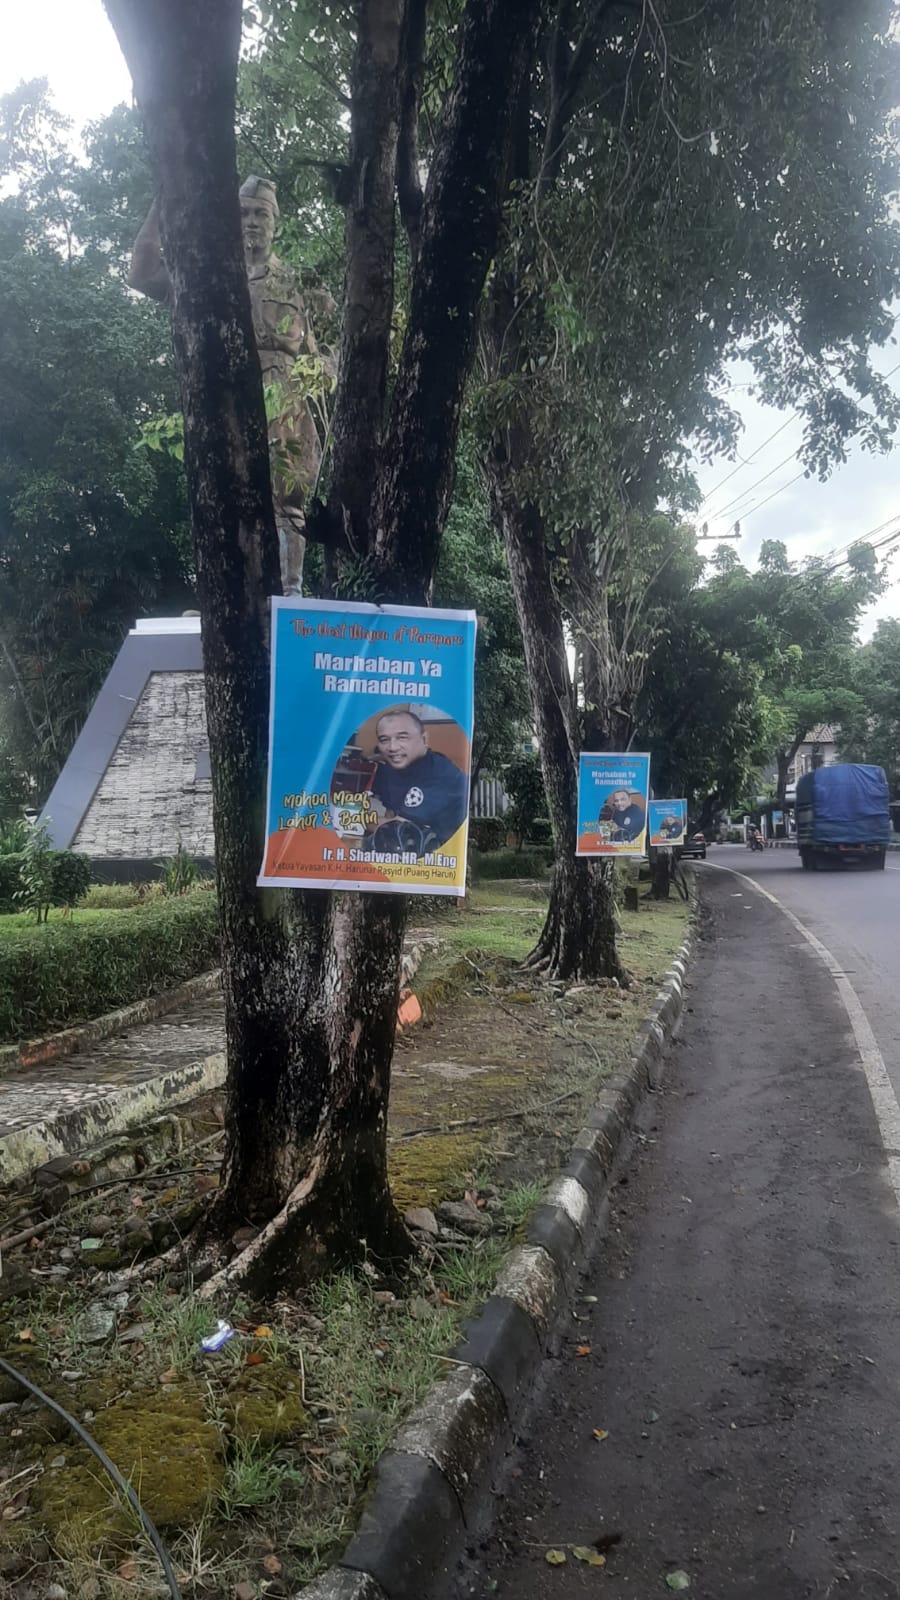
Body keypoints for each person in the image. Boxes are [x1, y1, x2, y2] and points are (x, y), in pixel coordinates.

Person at [129, 176, 333, 595]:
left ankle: (287, 592)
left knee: (286, 500)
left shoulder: (300, 285)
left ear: (275, 222)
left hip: (286, 400)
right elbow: (143, 271)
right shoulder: (208, 281)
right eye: (244, 213)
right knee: (222, 496)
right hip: (227, 396)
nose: (253, 222)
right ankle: (227, 600)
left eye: (262, 213)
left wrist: (326, 371)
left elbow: (335, 343)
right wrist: (163, 201)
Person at [365, 710, 468, 854]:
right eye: (384, 740)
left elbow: (398, 830)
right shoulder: (391, 768)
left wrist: (358, 818)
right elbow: (380, 809)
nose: (392, 747)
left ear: (425, 739)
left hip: (441, 861)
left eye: (402, 737)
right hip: (404, 854)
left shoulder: (441, 773)